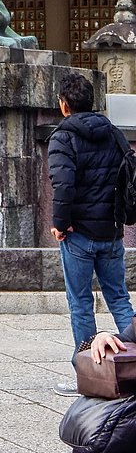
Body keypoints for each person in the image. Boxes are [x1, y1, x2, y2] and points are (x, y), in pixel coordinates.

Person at [48, 72, 135, 363]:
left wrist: (60, 224)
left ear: (64, 105)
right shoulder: (114, 133)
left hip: (79, 233)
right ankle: (133, 361)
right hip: (111, 232)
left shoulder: (63, 137)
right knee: (119, 299)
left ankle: (88, 370)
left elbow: (63, 185)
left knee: (81, 303)